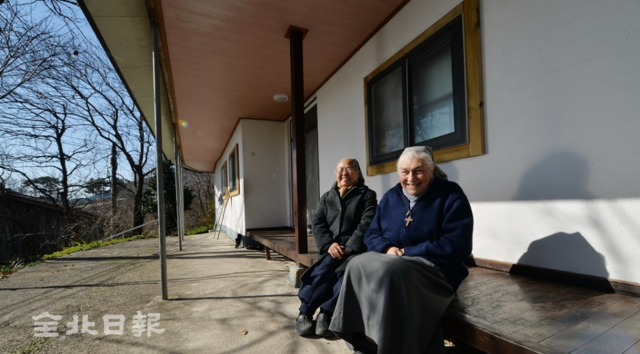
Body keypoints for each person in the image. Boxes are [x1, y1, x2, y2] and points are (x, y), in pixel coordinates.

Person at [329, 146, 473, 353]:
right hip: (393, 260)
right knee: (355, 264)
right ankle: (361, 338)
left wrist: (408, 252)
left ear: (432, 170)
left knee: (393, 272)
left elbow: (458, 244)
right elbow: (371, 234)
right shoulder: (391, 196)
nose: (411, 178)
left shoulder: (451, 195)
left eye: (419, 170)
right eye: (405, 171)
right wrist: (387, 248)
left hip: (437, 268)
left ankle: (394, 346)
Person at [296, 158, 378, 337]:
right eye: (340, 169)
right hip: (331, 248)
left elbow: (367, 223)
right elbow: (318, 223)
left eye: (349, 169)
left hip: (354, 249)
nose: (344, 173)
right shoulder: (327, 197)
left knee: (344, 275)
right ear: (336, 174)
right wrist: (329, 244)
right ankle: (305, 312)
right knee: (322, 272)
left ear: (357, 173)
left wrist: (349, 246)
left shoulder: (367, 195)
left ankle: (326, 313)